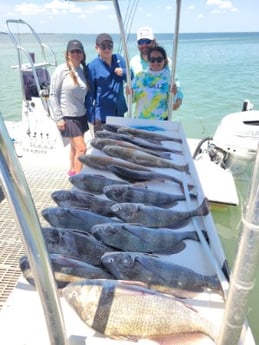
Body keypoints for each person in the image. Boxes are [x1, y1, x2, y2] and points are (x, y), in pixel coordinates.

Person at [49, 39, 89, 176]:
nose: (76, 54)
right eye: (73, 51)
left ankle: (72, 171)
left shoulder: (82, 71)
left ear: (83, 54)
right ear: (67, 54)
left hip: (81, 115)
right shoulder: (61, 70)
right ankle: (79, 180)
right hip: (68, 117)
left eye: (79, 51)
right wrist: (58, 118)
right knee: (82, 149)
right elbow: (52, 95)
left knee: (74, 147)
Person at [86, 33, 128, 132]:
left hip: (119, 112)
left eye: (110, 46)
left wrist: (124, 72)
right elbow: (89, 95)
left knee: (119, 143)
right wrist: (91, 116)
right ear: (97, 48)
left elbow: (131, 77)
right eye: (103, 46)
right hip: (102, 116)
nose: (107, 49)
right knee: (103, 146)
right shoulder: (92, 66)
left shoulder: (119, 59)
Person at [128, 46, 183, 120]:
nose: (155, 62)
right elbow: (132, 100)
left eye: (159, 60)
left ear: (164, 60)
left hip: (160, 123)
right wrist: (128, 93)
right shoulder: (139, 76)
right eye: (152, 60)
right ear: (148, 61)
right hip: (139, 121)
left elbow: (174, 107)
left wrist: (175, 94)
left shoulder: (170, 78)